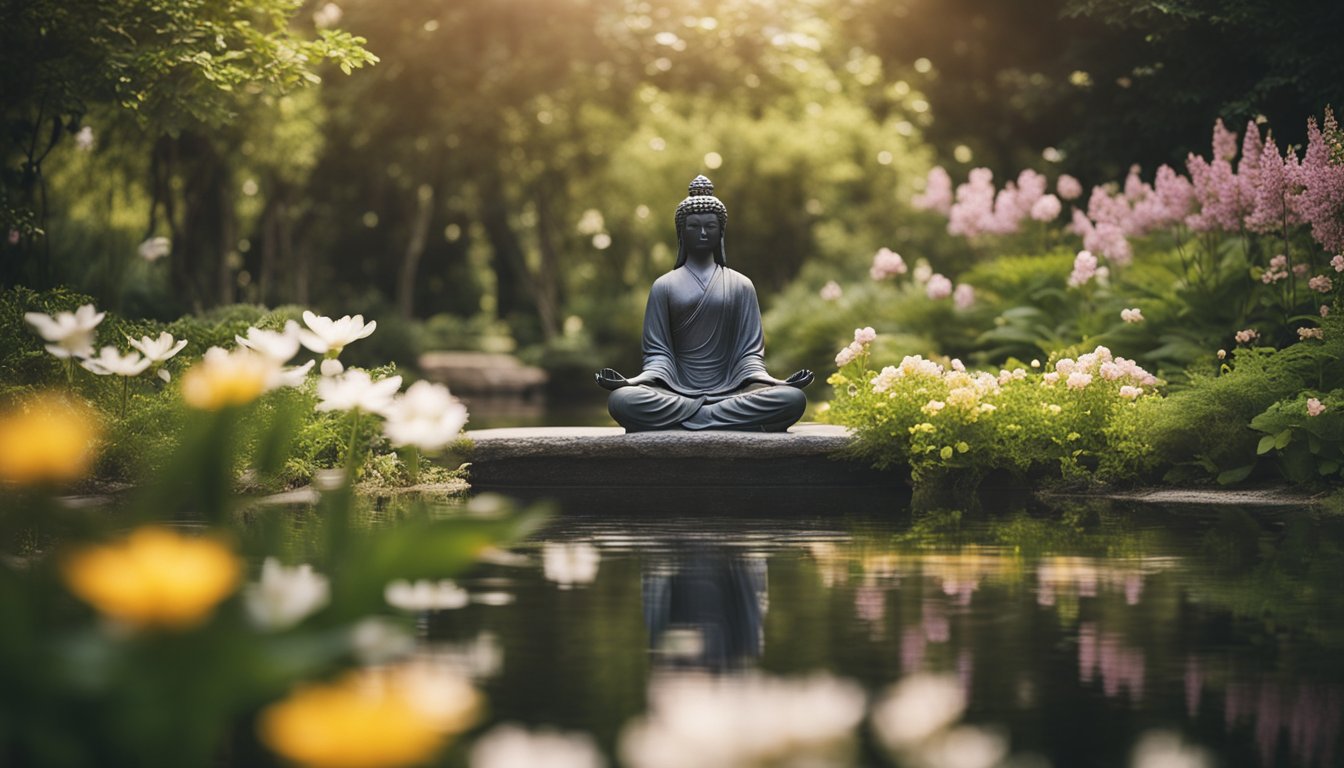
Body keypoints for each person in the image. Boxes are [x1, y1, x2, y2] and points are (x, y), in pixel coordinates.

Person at [595, 175, 813, 432]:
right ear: (681, 232)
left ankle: (693, 417)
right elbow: (658, 356)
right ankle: (714, 417)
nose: (702, 233)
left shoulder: (741, 285)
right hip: (676, 392)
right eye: (693, 226)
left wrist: (776, 382)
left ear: (721, 231)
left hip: (730, 391)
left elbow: (749, 356)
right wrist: (632, 382)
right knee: (621, 400)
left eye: (710, 226)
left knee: (792, 399)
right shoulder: (664, 286)